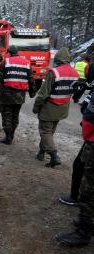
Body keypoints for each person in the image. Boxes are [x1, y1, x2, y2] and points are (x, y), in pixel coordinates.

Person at [56, 85, 94, 246]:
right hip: (90, 139)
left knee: (89, 188)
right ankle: (86, 223)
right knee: (80, 168)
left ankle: (84, 232)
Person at [59, 45, 94, 206]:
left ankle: (83, 210)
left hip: (92, 138)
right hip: (89, 136)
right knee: (80, 165)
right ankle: (77, 196)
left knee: (86, 170)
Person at [32, 48, 79, 167]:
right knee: (49, 132)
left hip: (49, 108)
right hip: (62, 108)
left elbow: (43, 94)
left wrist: (36, 107)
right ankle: (41, 152)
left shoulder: (54, 72)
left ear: (58, 58)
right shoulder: (75, 73)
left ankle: (54, 156)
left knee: (45, 132)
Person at [0, 45, 35, 144]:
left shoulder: (6, 62)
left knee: (6, 115)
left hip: (7, 94)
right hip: (20, 95)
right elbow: (31, 79)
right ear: (17, 52)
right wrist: (32, 92)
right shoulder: (27, 63)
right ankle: (12, 133)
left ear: (9, 53)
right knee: (15, 115)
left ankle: (8, 136)